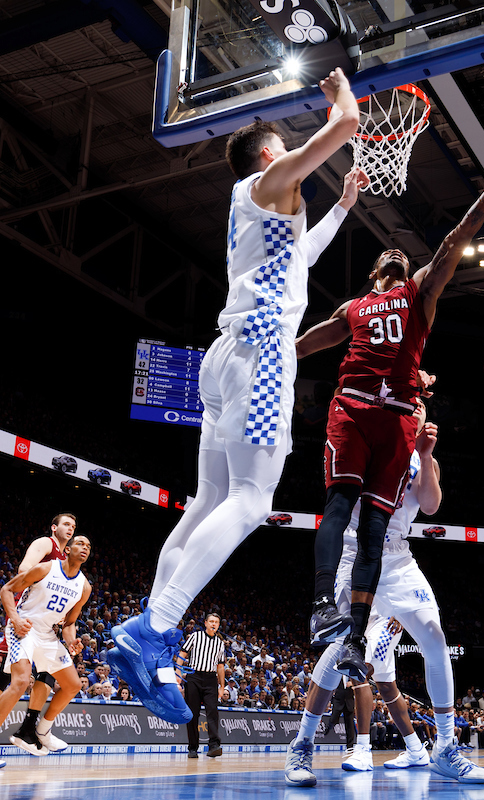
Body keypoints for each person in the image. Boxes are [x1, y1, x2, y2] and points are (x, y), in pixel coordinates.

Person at [110, 72, 364, 723]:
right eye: (284, 148)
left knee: (209, 502)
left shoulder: (261, 212)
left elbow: (299, 257)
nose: (292, 157)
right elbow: (345, 126)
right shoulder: (265, 183)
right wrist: (339, 87)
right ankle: (155, 626)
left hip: (226, 360)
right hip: (261, 357)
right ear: (270, 157)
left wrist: (339, 208)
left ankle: (150, 642)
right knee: (251, 502)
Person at [297, 145, 484, 680]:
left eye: (403, 258)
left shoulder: (418, 294)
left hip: (400, 415)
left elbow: (455, 241)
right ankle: (319, 606)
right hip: (354, 408)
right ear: (377, 273)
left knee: (376, 530)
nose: (397, 259)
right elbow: (306, 345)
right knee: (338, 508)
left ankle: (355, 639)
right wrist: (267, 349)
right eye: (389, 259)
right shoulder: (351, 308)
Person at [284, 404, 484, 786]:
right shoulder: (369, 436)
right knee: (341, 651)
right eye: (407, 403)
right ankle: (302, 745)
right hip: (354, 549)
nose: (413, 408)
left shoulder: (421, 456)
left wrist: (426, 456)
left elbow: (429, 505)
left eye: (419, 405)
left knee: (435, 638)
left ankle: (444, 748)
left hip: (398, 555)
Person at [0, 535, 92, 769]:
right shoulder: (46, 568)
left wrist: (72, 642)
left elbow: (69, 623)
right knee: (21, 681)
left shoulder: (84, 586)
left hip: (47, 635)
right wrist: (15, 618)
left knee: (73, 685)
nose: (85, 548)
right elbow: (7, 589)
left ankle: (42, 731)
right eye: (81, 544)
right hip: (23, 628)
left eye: (89, 546)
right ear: (69, 548)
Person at [176, 613, 227, 759]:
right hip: (194, 677)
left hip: (211, 679)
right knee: (193, 713)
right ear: (205, 623)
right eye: (211, 621)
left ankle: (214, 746)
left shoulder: (219, 643)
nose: (213, 624)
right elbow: (182, 654)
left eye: (216, 622)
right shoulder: (195, 636)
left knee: (212, 711)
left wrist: (222, 686)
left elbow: (221, 666)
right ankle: (193, 748)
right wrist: (178, 673)